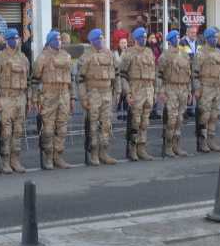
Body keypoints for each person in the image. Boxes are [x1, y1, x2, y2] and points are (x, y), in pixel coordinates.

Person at [0, 29, 31, 174]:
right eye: (13, 38)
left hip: (20, 98)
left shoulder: (24, 58)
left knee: (18, 131)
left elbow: (28, 81)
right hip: (5, 98)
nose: (16, 40)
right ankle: (5, 161)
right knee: (6, 132)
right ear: (7, 40)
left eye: (17, 38)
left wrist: (29, 99)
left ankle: (15, 160)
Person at [32, 29, 75, 169]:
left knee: (62, 128)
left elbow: (71, 79)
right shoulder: (42, 57)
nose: (59, 42)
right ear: (50, 42)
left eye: (60, 39)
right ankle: (48, 157)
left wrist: (72, 98)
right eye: (56, 40)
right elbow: (34, 80)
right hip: (48, 96)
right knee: (48, 129)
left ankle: (58, 156)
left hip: (64, 95)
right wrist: (35, 99)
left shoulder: (66, 56)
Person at [77, 28, 120, 166]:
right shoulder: (85, 57)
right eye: (97, 39)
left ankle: (104, 152)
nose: (100, 41)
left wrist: (117, 92)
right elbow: (80, 80)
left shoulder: (109, 54)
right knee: (93, 124)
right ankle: (94, 153)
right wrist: (83, 98)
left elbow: (117, 74)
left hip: (107, 92)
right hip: (93, 93)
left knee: (106, 124)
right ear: (91, 41)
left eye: (101, 38)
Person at [119, 27, 157, 162]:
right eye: (142, 37)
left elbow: (154, 73)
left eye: (145, 37)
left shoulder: (149, 51)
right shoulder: (128, 53)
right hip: (136, 89)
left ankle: (142, 148)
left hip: (148, 89)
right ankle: (132, 149)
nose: (144, 39)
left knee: (145, 122)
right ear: (135, 38)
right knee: (135, 121)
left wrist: (155, 91)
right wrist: (127, 92)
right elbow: (122, 75)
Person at [157, 30, 191, 158]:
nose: (177, 39)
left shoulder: (184, 55)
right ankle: (168, 146)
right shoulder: (164, 56)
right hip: (170, 88)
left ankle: (177, 145)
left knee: (180, 119)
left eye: (178, 37)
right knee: (171, 119)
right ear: (170, 40)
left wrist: (189, 90)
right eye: (175, 37)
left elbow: (189, 73)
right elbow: (159, 75)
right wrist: (160, 91)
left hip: (182, 88)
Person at [193, 27, 220, 152]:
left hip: (217, 87)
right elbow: (195, 73)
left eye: (217, 37)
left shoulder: (218, 52)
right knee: (204, 115)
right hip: (205, 87)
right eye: (214, 37)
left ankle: (211, 140)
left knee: (214, 115)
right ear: (208, 38)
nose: (216, 39)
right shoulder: (200, 53)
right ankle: (202, 141)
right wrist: (197, 89)